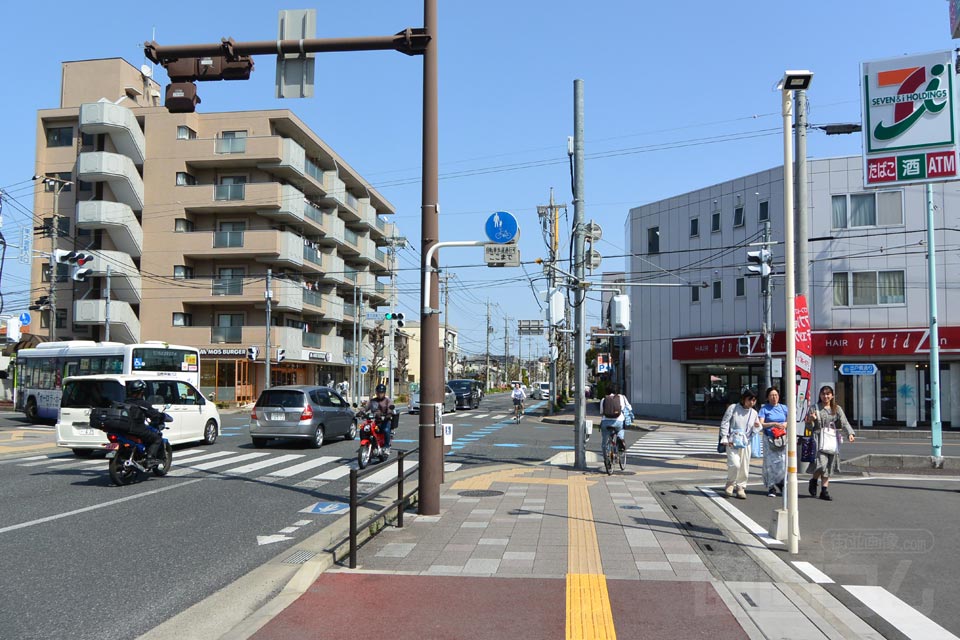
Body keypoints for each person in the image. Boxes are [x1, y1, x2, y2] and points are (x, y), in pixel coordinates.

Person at [805, 385, 856, 501]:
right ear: (820, 395)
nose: (825, 396)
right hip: (818, 438)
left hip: (832, 439)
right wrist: (811, 420)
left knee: (829, 464)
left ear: (832, 395)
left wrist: (850, 434)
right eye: (823, 394)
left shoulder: (837, 409)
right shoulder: (814, 408)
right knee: (821, 463)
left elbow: (844, 422)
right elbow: (808, 426)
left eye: (828, 394)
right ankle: (813, 481)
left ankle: (824, 490)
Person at [719, 388, 761, 499]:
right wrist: (724, 436)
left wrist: (757, 428)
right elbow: (725, 422)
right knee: (735, 464)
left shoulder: (754, 413)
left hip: (746, 443)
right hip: (732, 441)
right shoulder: (733, 408)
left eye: (754, 400)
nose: (752, 402)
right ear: (743, 399)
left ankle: (741, 487)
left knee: (744, 466)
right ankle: (730, 483)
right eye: (750, 399)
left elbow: (756, 428)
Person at [125, 379, 165, 467]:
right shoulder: (143, 404)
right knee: (157, 438)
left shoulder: (125, 402)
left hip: (124, 429)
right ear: (142, 391)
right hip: (137, 429)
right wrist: (161, 416)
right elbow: (154, 414)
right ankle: (150, 459)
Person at [758, 386, 788, 497]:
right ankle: (771, 487)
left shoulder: (784, 408)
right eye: (771, 395)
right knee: (769, 463)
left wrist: (785, 424)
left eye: (776, 395)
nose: (774, 397)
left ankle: (780, 482)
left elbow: (789, 420)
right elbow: (761, 424)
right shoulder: (764, 409)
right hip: (769, 438)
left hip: (781, 438)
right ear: (767, 397)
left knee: (782, 462)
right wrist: (773, 424)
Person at [599, 384, 633, 461]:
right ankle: (620, 443)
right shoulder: (622, 397)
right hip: (619, 421)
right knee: (620, 431)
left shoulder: (604, 399)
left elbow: (601, 412)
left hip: (606, 422)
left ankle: (606, 458)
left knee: (605, 440)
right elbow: (629, 408)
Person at [365, 383, 394, 454]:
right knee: (364, 429)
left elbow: (390, 409)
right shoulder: (373, 401)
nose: (379, 394)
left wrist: (388, 414)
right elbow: (366, 407)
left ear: (384, 393)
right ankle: (366, 444)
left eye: (381, 393)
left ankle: (387, 447)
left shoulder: (388, 401)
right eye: (378, 392)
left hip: (385, 421)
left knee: (386, 430)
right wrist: (360, 412)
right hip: (375, 421)